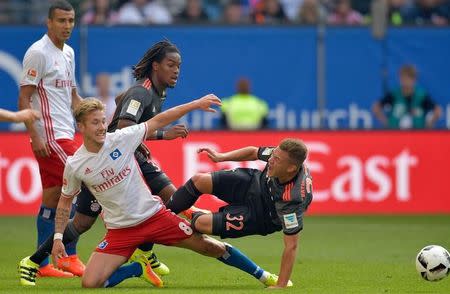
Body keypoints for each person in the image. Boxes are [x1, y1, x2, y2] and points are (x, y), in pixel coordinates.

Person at [19, 97, 287, 288]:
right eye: (95, 123)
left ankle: (264, 276)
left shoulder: (121, 139)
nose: (102, 127)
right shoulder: (76, 165)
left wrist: (196, 104)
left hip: (155, 217)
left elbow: (160, 119)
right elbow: (65, 200)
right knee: (91, 283)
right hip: (120, 231)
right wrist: (57, 237)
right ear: (82, 127)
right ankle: (137, 268)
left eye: (103, 121)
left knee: (209, 246)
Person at [19, 40, 206, 280]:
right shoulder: (143, 91)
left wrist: (142, 132)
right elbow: (125, 126)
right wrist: (162, 134)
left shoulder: (154, 91)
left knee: (82, 223)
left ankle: (33, 261)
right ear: (156, 66)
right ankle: (148, 250)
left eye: (179, 65)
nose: (177, 70)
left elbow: (121, 100)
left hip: (122, 157)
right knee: (173, 197)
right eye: (171, 65)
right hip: (122, 158)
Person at [165, 138, 313, 288]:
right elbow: (253, 152)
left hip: (261, 216)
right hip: (254, 183)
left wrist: (280, 285)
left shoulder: (291, 200)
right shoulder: (281, 154)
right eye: (272, 155)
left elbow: (291, 245)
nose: (271, 160)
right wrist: (221, 156)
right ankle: (157, 219)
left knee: (200, 223)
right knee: (199, 180)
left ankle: (192, 215)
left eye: (277, 159)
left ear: (291, 168)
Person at [17, 0, 84, 278]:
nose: (67, 26)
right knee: (83, 185)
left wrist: (91, 116)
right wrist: (34, 135)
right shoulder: (38, 53)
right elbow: (24, 96)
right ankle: (69, 255)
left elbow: (72, 95)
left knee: (53, 197)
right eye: (61, 21)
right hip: (51, 135)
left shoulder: (68, 52)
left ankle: (41, 264)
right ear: (49, 22)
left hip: (66, 131)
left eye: (70, 20)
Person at [372, 64, 442, 129]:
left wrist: (429, 123)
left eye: (408, 79)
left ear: (414, 80)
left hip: (418, 135)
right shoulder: (394, 94)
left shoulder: (422, 95)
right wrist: (385, 122)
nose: (405, 82)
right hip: (395, 134)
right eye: (403, 78)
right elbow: (375, 107)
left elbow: (438, 110)